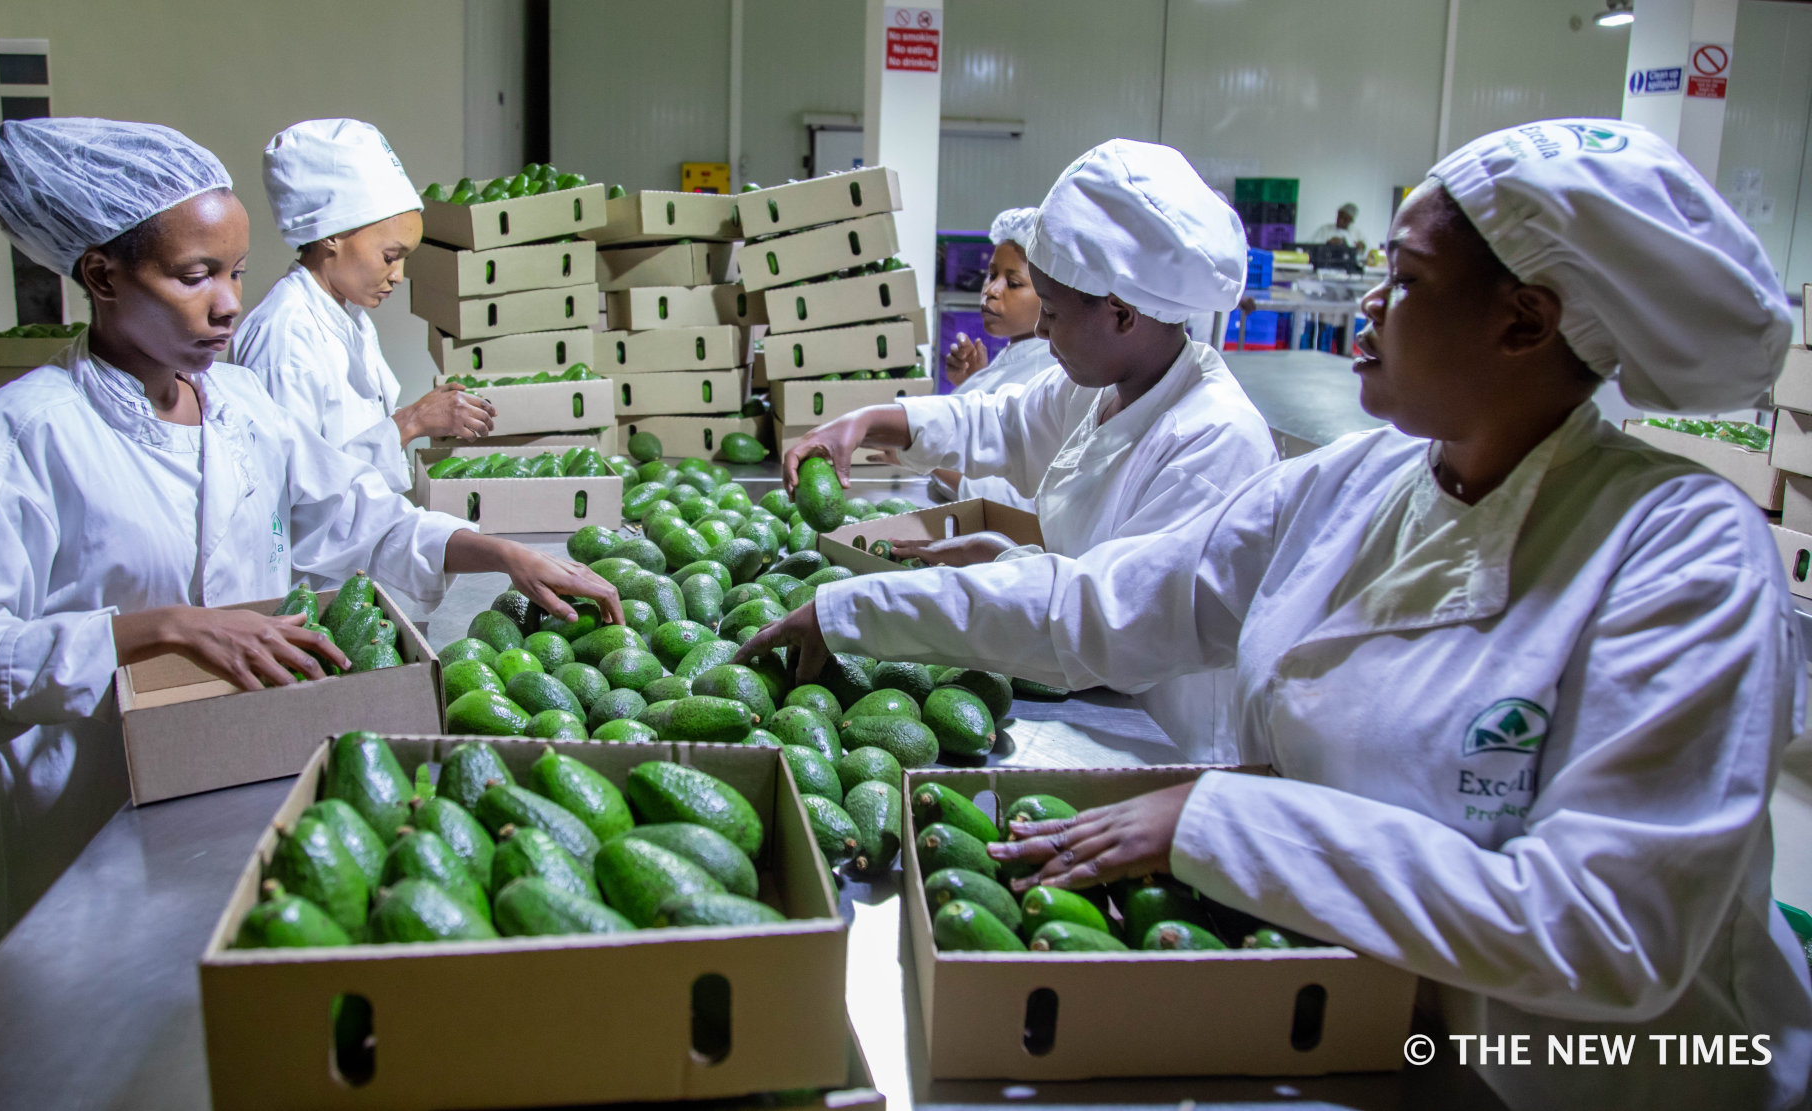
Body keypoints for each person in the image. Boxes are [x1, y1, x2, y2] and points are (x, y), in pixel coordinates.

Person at [741, 119, 1810, 1109]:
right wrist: (855, 607)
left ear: (1523, 321)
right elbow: (1111, 601)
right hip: (1353, 1027)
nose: (1365, 309)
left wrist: (1212, 821)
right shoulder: (1359, 483)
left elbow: (1604, 931)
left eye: (1403, 281)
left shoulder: (1680, 551)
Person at [0, 118, 619, 938]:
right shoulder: (25, 434)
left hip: (247, 769)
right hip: (90, 813)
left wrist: (496, 552)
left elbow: (353, 513)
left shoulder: (238, 405)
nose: (230, 303)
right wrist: (151, 631)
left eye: (235, 271)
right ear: (101, 274)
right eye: (195, 275)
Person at [781, 139, 1278, 761]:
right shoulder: (1106, 385)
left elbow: (1106, 620)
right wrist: (872, 421)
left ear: (1123, 314)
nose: (1040, 329)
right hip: (1082, 708)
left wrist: (854, 613)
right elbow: (1003, 423)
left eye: (1055, 311)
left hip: (1158, 748)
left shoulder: (1213, 441)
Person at [232, 118, 490, 493]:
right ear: (332, 235)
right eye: (390, 256)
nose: (398, 276)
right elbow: (292, 490)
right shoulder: (284, 338)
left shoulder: (347, 317)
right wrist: (410, 422)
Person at [926, 206, 1054, 509]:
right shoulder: (1018, 352)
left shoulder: (1045, 375)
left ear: (1052, 294)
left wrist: (924, 452)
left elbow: (1019, 500)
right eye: (991, 274)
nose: (991, 291)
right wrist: (973, 382)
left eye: (1014, 283)